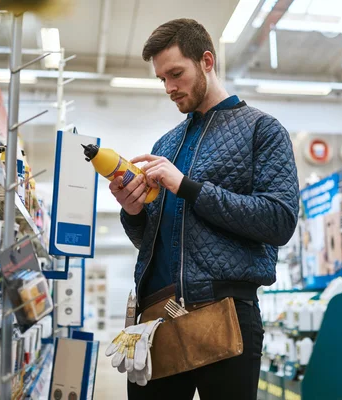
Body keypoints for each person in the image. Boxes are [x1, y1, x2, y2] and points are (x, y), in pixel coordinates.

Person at [108, 18, 299, 400]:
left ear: (207, 61)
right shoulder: (166, 143)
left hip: (226, 314)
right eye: (161, 79)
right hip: (156, 316)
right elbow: (150, 240)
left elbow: (279, 220)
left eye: (176, 74)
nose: (169, 88)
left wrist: (186, 186)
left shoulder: (263, 130)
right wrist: (132, 211)